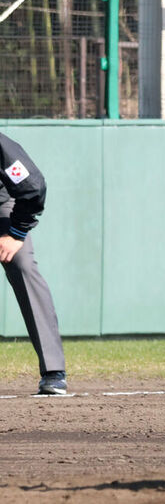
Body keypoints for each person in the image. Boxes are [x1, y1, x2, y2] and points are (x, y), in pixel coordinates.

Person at [0, 132, 66, 395]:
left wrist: (16, 234)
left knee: (22, 264)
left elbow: (32, 187)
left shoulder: (2, 148)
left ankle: (53, 371)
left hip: (3, 207)